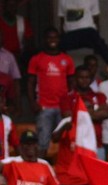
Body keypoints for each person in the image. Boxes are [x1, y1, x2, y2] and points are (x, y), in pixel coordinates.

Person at [27, 27, 74, 158]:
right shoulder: (36, 59)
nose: (52, 40)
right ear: (45, 40)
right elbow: (30, 83)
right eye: (49, 37)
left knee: (66, 141)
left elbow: (72, 83)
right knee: (42, 142)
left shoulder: (67, 59)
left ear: (59, 39)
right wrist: (32, 102)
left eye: (55, 37)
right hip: (44, 107)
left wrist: (70, 105)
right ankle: (41, 167)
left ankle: (63, 168)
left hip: (63, 108)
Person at [57, 0, 108, 67]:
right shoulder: (62, 0)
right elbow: (62, 20)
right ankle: (62, 70)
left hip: (88, 32)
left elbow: (96, 19)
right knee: (55, 46)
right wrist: (62, 35)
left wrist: (97, 36)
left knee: (101, 44)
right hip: (70, 33)